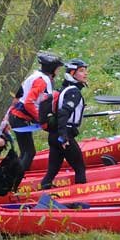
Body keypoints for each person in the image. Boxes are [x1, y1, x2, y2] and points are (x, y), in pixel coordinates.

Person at [8, 52, 64, 171]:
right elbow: (29, 102)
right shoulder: (41, 81)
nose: (58, 72)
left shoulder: (38, 76)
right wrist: (40, 118)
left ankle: (14, 174)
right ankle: (16, 180)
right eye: (57, 69)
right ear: (51, 69)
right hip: (19, 117)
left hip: (19, 117)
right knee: (29, 152)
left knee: (25, 151)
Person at [40, 58, 88, 190]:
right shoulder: (73, 91)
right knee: (80, 168)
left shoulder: (65, 88)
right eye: (82, 71)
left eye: (85, 71)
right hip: (63, 135)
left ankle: (43, 193)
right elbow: (63, 113)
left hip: (54, 136)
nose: (85, 74)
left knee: (52, 172)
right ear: (72, 73)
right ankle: (81, 198)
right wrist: (64, 137)